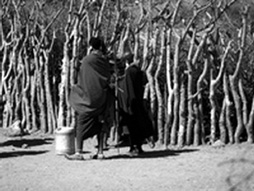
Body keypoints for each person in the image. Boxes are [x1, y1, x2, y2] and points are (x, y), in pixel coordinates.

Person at [65, 37, 113, 160]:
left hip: (87, 99)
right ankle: (101, 152)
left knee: (80, 123)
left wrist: (76, 88)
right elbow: (107, 76)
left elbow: (84, 79)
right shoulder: (104, 61)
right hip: (101, 98)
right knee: (100, 124)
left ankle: (79, 153)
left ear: (91, 46)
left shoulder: (87, 60)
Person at [118, 53, 155, 156]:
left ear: (126, 62)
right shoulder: (138, 71)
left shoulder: (129, 72)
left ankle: (134, 147)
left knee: (133, 126)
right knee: (138, 124)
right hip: (139, 100)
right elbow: (144, 82)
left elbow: (128, 88)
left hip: (132, 102)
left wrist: (129, 102)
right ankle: (138, 146)